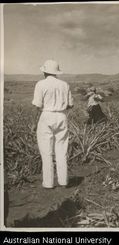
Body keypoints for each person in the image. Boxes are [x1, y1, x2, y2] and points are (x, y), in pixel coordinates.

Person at [32, 60, 74, 189]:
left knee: (46, 152)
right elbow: (70, 105)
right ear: (56, 72)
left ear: (44, 71)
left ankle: (48, 183)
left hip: (46, 116)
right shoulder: (64, 84)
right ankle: (63, 181)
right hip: (61, 116)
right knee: (61, 150)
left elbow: (37, 105)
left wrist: (34, 122)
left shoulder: (41, 84)